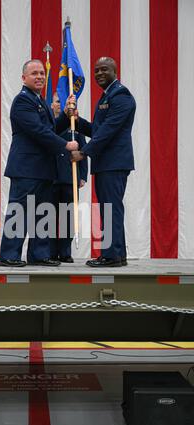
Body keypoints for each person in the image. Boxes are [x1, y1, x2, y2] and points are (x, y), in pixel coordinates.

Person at [0, 59, 78, 267]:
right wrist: (65, 145)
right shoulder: (23, 101)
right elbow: (37, 131)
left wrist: (66, 115)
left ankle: (39, 255)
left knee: (43, 212)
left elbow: (49, 129)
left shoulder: (39, 100)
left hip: (43, 169)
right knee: (19, 210)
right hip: (26, 168)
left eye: (42, 73)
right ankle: (9, 255)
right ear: (24, 78)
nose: (40, 77)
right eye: (34, 73)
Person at [71, 57, 136, 267]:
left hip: (114, 163)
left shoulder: (121, 95)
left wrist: (84, 152)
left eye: (104, 70)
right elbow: (99, 130)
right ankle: (117, 254)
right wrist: (77, 120)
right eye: (96, 70)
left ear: (115, 71)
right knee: (109, 208)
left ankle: (112, 256)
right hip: (107, 163)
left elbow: (109, 131)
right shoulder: (108, 96)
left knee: (110, 209)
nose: (99, 73)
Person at [50, 92, 88, 262]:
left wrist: (82, 176)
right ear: (52, 104)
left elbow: (83, 151)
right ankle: (50, 252)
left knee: (68, 217)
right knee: (49, 217)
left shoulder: (74, 124)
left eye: (63, 101)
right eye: (57, 101)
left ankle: (65, 252)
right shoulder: (48, 124)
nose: (60, 104)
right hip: (50, 177)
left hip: (69, 177)